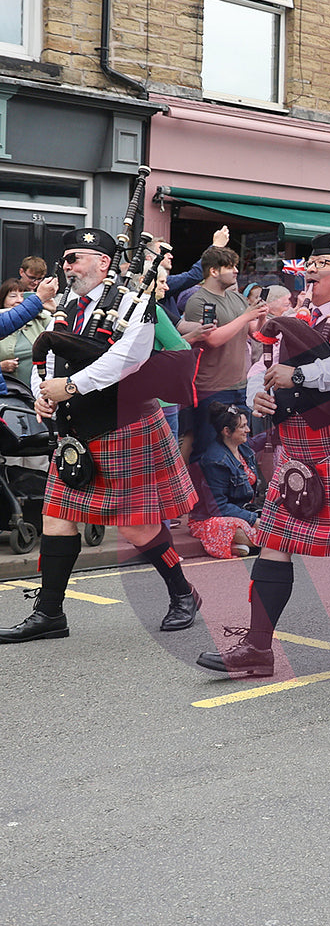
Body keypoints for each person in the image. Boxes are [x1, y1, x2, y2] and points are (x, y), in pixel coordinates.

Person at [196, 232, 330, 677]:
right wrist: (258, 393)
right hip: (296, 450)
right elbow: (263, 364)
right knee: (273, 543)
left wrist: (301, 375)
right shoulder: (292, 315)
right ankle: (258, 648)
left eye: (326, 263)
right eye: (311, 262)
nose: (313, 269)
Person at [0, 229, 200, 643]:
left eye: (75, 258)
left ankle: (183, 593)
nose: (67, 265)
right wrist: (43, 394)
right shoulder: (69, 306)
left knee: (135, 527)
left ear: (103, 263)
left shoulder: (135, 303)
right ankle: (49, 614)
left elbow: (127, 359)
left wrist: (70, 388)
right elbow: (51, 357)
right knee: (55, 519)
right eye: (66, 258)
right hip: (76, 430)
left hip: (124, 426)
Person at [179, 245, 264, 463]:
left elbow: (256, 332)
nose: (236, 271)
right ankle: (203, 496)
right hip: (211, 388)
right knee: (208, 449)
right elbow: (213, 339)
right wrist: (246, 317)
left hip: (239, 385)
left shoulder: (236, 298)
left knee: (240, 448)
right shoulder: (198, 301)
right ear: (214, 271)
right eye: (229, 266)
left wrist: (260, 315)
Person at [188, 401, 261, 559]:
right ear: (227, 431)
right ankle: (248, 542)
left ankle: (241, 545)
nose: (248, 430)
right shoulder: (215, 460)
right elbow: (218, 507)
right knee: (245, 529)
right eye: (242, 427)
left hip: (241, 511)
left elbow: (257, 442)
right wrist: (253, 519)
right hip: (212, 519)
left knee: (273, 522)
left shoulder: (242, 446)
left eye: (247, 425)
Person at [0, 276, 58, 392]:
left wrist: (55, 310)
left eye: (23, 296)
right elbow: (6, 322)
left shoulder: (40, 320)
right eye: (13, 296)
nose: (19, 300)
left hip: (38, 391)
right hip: (12, 396)